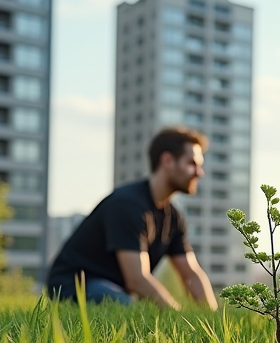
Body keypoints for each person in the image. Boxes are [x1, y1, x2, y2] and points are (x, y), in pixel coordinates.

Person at [46, 127, 218, 310]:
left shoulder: (173, 218)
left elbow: (191, 274)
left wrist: (212, 322)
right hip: (75, 286)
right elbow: (137, 279)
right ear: (167, 161)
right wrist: (178, 317)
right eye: (192, 163)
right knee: (135, 312)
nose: (199, 172)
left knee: (132, 307)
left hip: (117, 289)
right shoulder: (127, 205)